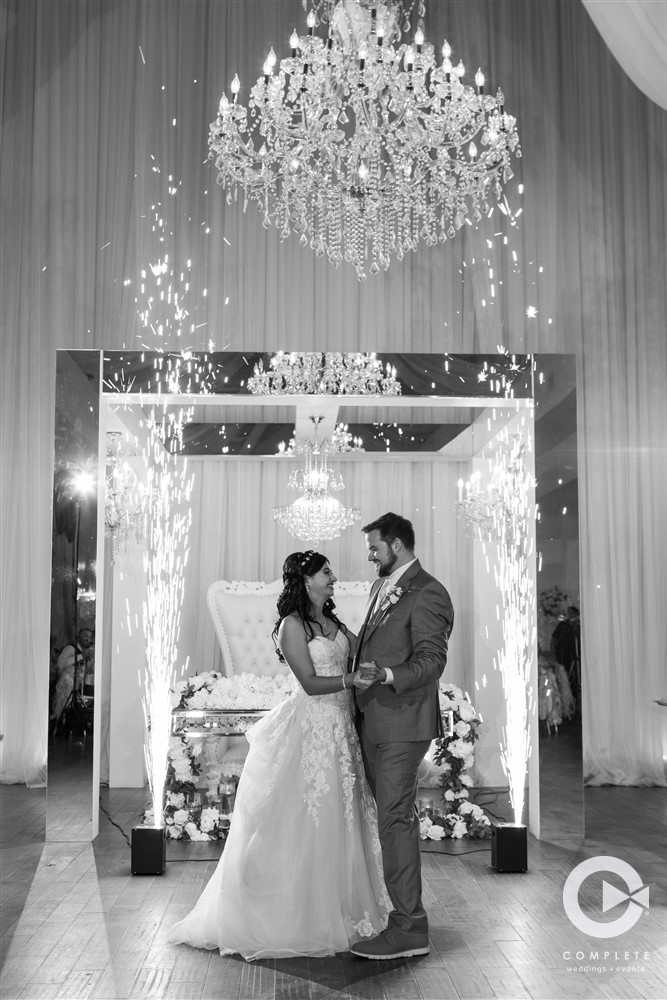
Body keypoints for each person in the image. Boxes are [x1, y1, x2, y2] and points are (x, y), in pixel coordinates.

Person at [169, 550, 391, 960]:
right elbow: (308, 683)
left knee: (343, 816)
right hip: (311, 729)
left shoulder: (336, 624)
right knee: (310, 818)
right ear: (307, 580)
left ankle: (345, 908)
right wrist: (350, 678)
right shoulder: (292, 625)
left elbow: (362, 655)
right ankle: (292, 914)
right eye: (327, 572)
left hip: (342, 729)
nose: (333, 577)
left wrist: (381, 667)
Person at [350, 513, 454, 961]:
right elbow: (375, 644)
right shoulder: (382, 586)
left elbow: (432, 661)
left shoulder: (429, 592)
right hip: (374, 721)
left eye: (374, 546)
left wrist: (389, 674)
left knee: (394, 819)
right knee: (390, 818)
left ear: (396, 543)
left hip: (403, 724)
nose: (370, 554)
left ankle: (410, 927)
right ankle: (404, 917)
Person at [50, 628, 94, 726]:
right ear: (79, 638)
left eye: (90, 637)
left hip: (81, 687)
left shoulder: (89, 652)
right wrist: (80, 656)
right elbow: (60, 664)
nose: (88, 639)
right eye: (85, 636)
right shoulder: (70, 648)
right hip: (67, 686)